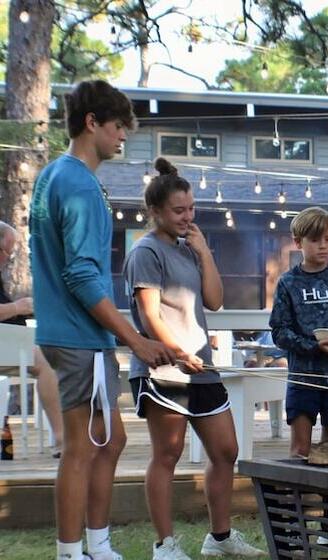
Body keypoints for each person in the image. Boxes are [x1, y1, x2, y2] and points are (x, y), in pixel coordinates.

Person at [29, 80, 177, 560]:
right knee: (81, 447)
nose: (122, 138)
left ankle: (96, 543)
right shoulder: (78, 183)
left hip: (68, 332)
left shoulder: (52, 174)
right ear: (91, 123)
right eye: (117, 128)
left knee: (109, 440)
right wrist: (134, 338)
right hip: (78, 336)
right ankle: (71, 552)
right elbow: (81, 274)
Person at [124, 158, 265, 559]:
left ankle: (218, 539)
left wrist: (204, 252)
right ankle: (163, 545)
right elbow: (150, 316)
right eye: (178, 210)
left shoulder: (189, 249)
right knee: (166, 455)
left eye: (191, 209)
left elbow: (216, 301)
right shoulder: (145, 252)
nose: (187, 217)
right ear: (155, 212)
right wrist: (180, 353)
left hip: (201, 369)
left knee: (226, 451)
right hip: (164, 370)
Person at [269, 207, 328, 458]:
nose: (323, 246)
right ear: (298, 242)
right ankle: (296, 498)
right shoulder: (287, 282)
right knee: (300, 451)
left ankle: (325, 499)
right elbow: (279, 332)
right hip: (303, 378)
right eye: (315, 240)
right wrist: (313, 345)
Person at [0, 221, 64, 458]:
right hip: (7, 344)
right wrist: (17, 307)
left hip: (11, 340)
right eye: (6, 251)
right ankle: (61, 438)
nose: (8, 258)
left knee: (51, 355)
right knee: (46, 363)